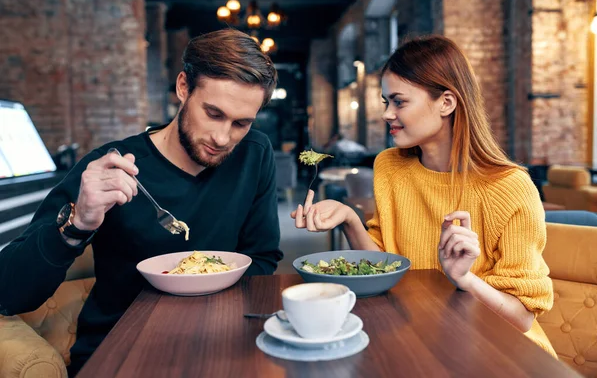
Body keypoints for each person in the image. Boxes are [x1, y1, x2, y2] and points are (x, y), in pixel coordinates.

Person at [0, 28, 283, 376]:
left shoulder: (254, 153)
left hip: (220, 342)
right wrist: (78, 225)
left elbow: (263, 256)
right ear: (183, 87)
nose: (223, 138)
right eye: (213, 113)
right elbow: (9, 292)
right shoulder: (112, 165)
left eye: (241, 123)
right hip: (122, 350)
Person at [292, 35, 556, 357]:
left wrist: (464, 279)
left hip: (500, 351)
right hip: (420, 337)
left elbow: (523, 317)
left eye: (399, 102)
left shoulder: (510, 187)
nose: (387, 114)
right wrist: (349, 218)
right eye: (385, 102)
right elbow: (382, 267)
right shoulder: (390, 167)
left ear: (446, 102)